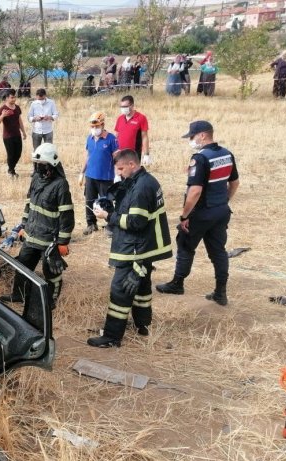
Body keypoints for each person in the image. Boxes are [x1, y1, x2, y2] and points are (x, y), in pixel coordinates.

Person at [87, 149, 172, 348]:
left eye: (121, 168)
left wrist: (108, 217)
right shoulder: (145, 181)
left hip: (134, 247)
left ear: (132, 165)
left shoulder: (142, 187)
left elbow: (136, 222)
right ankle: (143, 325)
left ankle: (111, 336)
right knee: (141, 287)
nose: (119, 173)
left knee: (121, 290)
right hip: (145, 246)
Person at [156, 121, 240, 306]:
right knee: (218, 251)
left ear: (203, 135)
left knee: (185, 245)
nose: (191, 140)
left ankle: (177, 284)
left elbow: (195, 191)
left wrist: (185, 216)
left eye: (192, 137)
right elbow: (234, 183)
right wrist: (223, 201)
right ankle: (220, 292)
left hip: (201, 213)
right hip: (221, 211)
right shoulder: (227, 154)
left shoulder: (200, 158)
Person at [3, 142, 74, 309]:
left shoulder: (60, 185)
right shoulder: (35, 178)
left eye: (41, 165)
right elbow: (29, 204)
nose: (38, 168)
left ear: (51, 164)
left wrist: (63, 242)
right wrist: (24, 225)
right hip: (32, 235)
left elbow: (67, 215)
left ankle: (50, 302)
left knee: (52, 272)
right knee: (22, 265)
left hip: (50, 241)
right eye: (37, 164)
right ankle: (18, 295)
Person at [79, 112, 118, 235]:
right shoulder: (89, 138)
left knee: (106, 201)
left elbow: (116, 158)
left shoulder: (111, 139)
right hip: (90, 176)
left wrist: (117, 175)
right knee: (89, 200)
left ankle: (111, 225)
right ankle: (91, 224)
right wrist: (82, 172)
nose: (94, 129)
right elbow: (88, 156)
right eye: (92, 127)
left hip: (105, 177)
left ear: (103, 125)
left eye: (97, 126)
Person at [0, 89, 27, 178]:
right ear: (7, 98)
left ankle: (11, 168)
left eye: (15, 97)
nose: (14, 99)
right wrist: (3, 116)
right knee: (11, 154)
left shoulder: (17, 108)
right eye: (12, 97)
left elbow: (20, 121)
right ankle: (11, 171)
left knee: (18, 153)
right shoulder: (2, 109)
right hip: (8, 136)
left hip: (17, 134)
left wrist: (23, 132)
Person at [114, 95, 150, 164]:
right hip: (120, 154)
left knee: (132, 174)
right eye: (122, 107)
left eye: (125, 106)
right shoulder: (120, 118)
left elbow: (145, 137)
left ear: (132, 105)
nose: (123, 108)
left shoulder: (141, 118)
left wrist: (146, 154)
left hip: (133, 155)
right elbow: (116, 136)